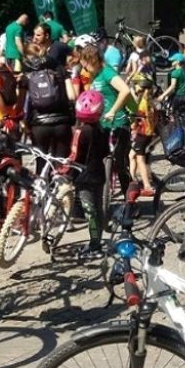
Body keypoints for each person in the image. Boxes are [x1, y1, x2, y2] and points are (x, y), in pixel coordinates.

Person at [80, 44, 134, 200]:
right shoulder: (95, 76)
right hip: (102, 125)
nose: (84, 68)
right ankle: (100, 199)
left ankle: (129, 202)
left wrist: (112, 111)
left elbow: (125, 90)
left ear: (93, 60)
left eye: (86, 64)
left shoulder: (107, 72)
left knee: (121, 164)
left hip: (118, 124)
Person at [70, 90, 108, 259]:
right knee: (98, 209)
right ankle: (97, 240)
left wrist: (65, 169)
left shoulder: (81, 132)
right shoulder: (102, 130)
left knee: (89, 210)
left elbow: (74, 155)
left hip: (83, 177)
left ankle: (94, 246)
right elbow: (105, 152)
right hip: (99, 174)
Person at [22, 44, 75, 159]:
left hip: (39, 124)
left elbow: (23, 103)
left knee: (42, 163)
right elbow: (72, 96)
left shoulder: (27, 74)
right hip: (62, 122)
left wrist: (24, 122)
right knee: (61, 164)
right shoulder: (60, 68)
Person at [129, 74, 158, 196]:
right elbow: (155, 118)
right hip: (149, 133)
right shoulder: (151, 101)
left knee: (140, 159)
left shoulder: (142, 103)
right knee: (132, 155)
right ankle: (133, 179)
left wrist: (132, 127)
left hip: (142, 134)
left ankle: (147, 186)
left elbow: (135, 121)